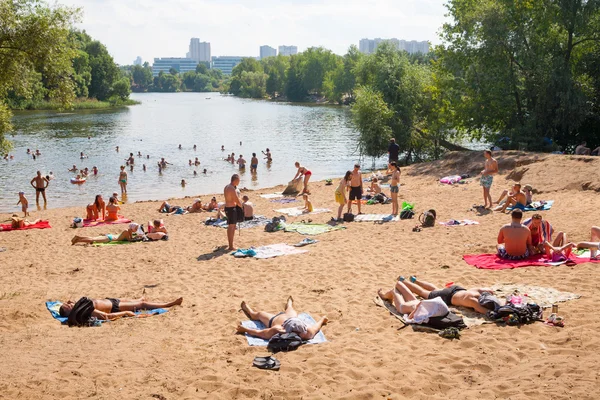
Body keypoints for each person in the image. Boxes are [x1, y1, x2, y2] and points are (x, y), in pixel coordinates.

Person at [378, 277, 495, 315]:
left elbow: (490, 290)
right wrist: (492, 313)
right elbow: (482, 310)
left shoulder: (478, 292)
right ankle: (405, 283)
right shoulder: (472, 301)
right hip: (449, 297)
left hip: (458, 289)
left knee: (435, 289)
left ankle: (415, 280)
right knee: (424, 293)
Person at [236, 297, 328, 340]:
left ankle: (250, 311)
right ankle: (289, 303)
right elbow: (316, 327)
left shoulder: (278, 330)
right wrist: (322, 319)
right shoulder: (307, 333)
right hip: (291, 317)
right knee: (290, 309)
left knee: (259, 314)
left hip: (275, 319)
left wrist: (245, 329)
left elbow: (260, 333)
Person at [59, 296, 183, 321]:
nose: (70, 304)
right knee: (143, 305)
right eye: (68, 307)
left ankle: (139, 299)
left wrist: (71, 302)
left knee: (137, 301)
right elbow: (106, 316)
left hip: (111, 300)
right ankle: (169, 304)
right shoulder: (86, 310)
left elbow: (72, 301)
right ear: (69, 313)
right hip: (115, 307)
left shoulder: (80, 304)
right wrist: (126, 313)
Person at [71, 223, 141, 245]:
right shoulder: (126, 231)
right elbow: (130, 240)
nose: (136, 229)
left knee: (93, 238)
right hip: (108, 238)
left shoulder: (129, 231)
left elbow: (131, 238)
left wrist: (137, 237)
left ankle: (78, 238)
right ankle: (78, 240)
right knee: (92, 239)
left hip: (110, 237)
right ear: (132, 227)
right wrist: (138, 239)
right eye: (136, 228)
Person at [224, 174, 244, 251]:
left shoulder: (227, 186)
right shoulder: (231, 188)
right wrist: (242, 206)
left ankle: (230, 244)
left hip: (229, 208)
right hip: (231, 209)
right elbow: (236, 199)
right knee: (231, 227)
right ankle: (231, 246)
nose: (239, 182)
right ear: (235, 180)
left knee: (232, 226)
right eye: (238, 181)